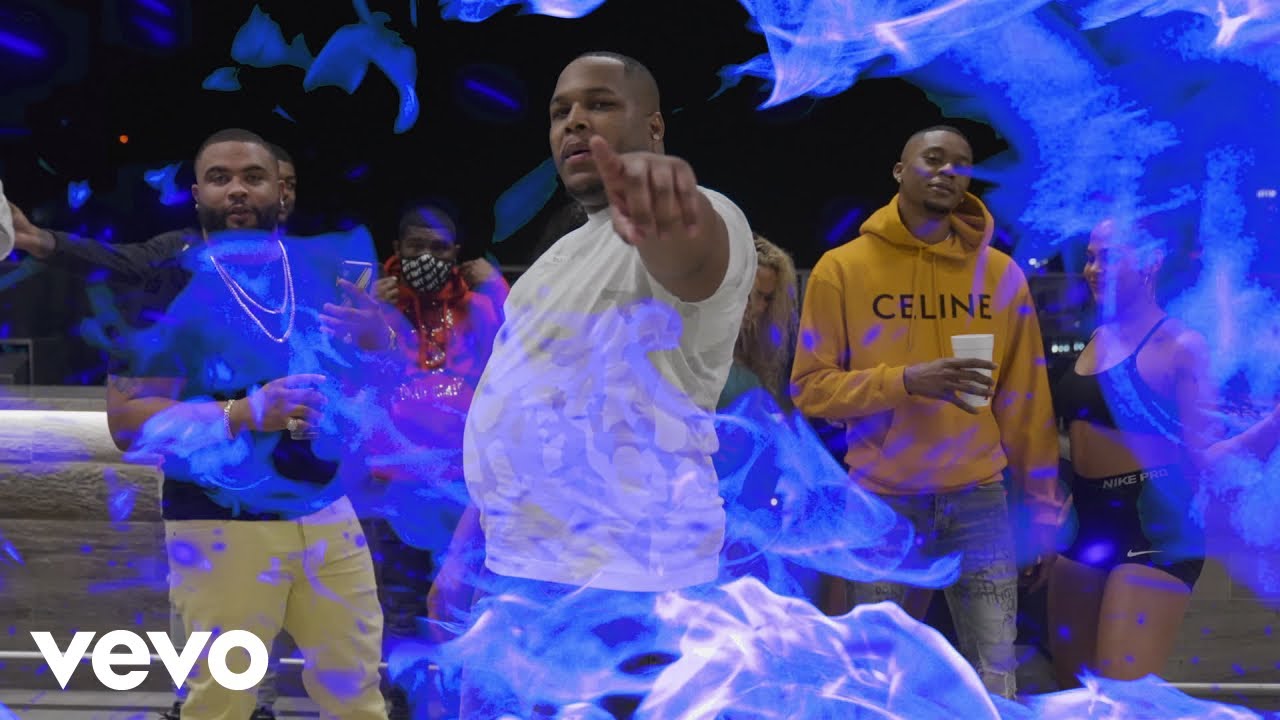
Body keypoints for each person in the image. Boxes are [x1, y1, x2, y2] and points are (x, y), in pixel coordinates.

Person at [454, 51, 755, 717]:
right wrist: (467, 552)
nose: (574, 122)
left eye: (599, 104)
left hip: (628, 584)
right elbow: (518, 407)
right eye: (560, 111)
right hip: (518, 570)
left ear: (654, 128)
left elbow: (690, 254)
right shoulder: (556, 259)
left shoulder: (707, 213)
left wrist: (664, 209)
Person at [105, 127, 392, 720]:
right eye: (220, 178)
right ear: (196, 194)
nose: (236, 190)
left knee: (358, 698)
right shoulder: (164, 284)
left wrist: (378, 341)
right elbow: (127, 422)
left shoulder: (322, 268)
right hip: (220, 522)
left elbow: (370, 384)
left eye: (252, 177)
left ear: (281, 191)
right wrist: (245, 412)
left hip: (327, 511)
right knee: (222, 703)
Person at [790, 124, 1061, 698]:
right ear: (899, 170)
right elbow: (811, 390)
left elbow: (1026, 402)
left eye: (960, 164)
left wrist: (1041, 504)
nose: (947, 171)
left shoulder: (1001, 275)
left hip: (980, 497)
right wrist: (905, 381)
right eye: (933, 158)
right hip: (882, 499)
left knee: (995, 678)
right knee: (882, 683)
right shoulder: (842, 268)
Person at [1049, 213, 1280, 686]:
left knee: (1121, 701)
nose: (1093, 270)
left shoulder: (1181, 346)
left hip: (1154, 526)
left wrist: (1274, 426)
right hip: (1087, 524)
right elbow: (1084, 441)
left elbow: (1205, 461)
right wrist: (1060, 508)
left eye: (1108, 258)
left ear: (1150, 261)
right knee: (1071, 695)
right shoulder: (1098, 338)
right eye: (1090, 258)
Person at [366, 204, 504, 719]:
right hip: (394, 486)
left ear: (457, 253)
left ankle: (455, 705)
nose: (426, 257)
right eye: (416, 246)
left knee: (459, 606)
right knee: (400, 611)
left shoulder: (479, 306)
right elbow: (352, 375)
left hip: (463, 489)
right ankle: (404, 708)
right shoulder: (375, 305)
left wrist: (497, 289)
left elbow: (518, 356)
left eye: (439, 248)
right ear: (397, 249)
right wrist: (372, 317)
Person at [6, 143, 299, 284]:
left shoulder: (312, 260)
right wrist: (39, 239)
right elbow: (118, 260)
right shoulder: (181, 249)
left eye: (288, 185)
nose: (282, 194)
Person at [717, 232, 798, 411]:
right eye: (753, 294)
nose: (760, 307)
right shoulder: (692, 344)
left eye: (767, 298)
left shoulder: (762, 354)